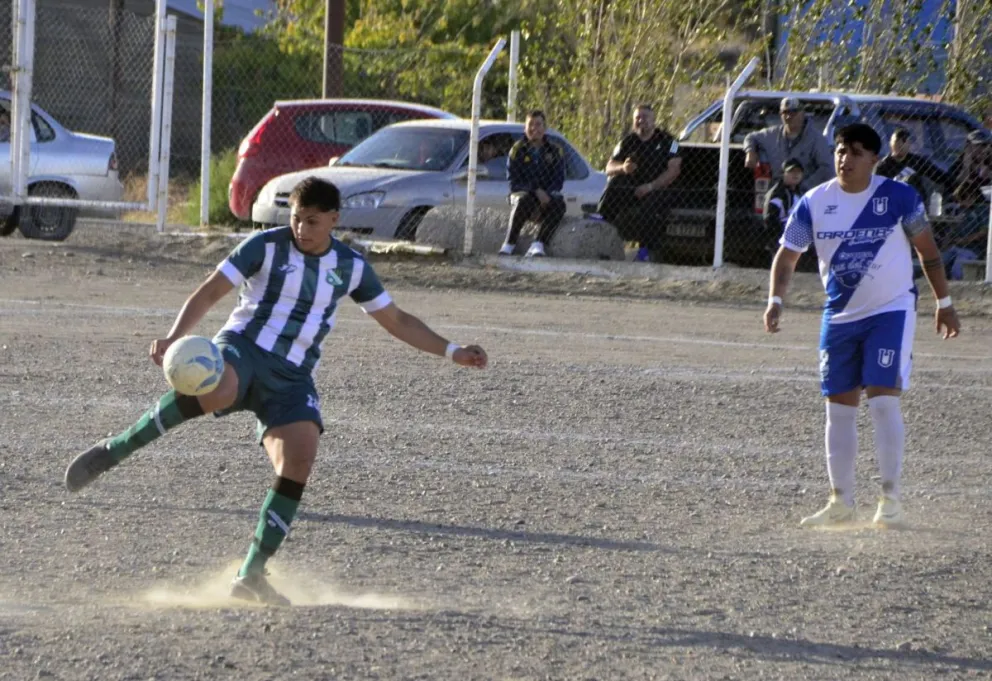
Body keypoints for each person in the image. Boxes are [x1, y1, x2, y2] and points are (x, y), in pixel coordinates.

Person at [63, 177, 489, 606]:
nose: (301, 229)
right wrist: (174, 337)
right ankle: (115, 449)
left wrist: (453, 351)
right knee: (221, 386)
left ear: (335, 220)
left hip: (293, 376)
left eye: (312, 221)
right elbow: (212, 290)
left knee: (300, 459)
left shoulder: (351, 266)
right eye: (296, 219)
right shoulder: (265, 246)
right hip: (243, 349)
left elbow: (397, 321)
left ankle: (251, 574)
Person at [764, 123, 960, 530]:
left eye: (855, 152)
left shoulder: (899, 197)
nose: (844, 159)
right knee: (838, 410)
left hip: (891, 311)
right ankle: (841, 501)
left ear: (874, 159)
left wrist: (945, 303)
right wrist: (775, 301)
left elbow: (929, 251)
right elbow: (787, 257)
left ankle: (890, 499)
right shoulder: (814, 202)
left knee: (884, 400)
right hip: (839, 317)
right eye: (840, 150)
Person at [596, 104, 682, 262]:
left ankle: (645, 252)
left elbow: (674, 170)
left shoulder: (670, 141)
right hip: (633, 187)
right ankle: (602, 223)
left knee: (649, 207)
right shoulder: (627, 142)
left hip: (659, 188)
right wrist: (623, 167)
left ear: (654, 120)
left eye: (645, 117)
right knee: (616, 182)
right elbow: (609, 167)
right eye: (638, 118)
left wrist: (650, 187)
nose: (641, 121)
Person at [499, 110, 567, 257]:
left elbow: (558, 181)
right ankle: (509, 244)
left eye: (538, 124)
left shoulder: (555, 151)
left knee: (559, 204)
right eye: (531, 124)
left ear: (545, 128)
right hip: (524, 195)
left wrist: (547, 194)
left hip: (545, 196)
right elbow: (513, 182)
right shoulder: (517, 150)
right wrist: (536, 190)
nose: (534, 129)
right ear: (525, 128)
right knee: (524, 200)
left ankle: (538, 244)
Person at [744, 97, 834, 193]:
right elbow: (750, 137)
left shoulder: (817, 139)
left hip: (806, 194)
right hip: (778, 193)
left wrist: (803, 186)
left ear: (802, 114)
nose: (788, 116)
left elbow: (827, 169)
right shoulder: (772, 134)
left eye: (793, 112)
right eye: (785, 112)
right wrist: (750, 152)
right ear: (780, 114)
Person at [941, 129, 991, 279]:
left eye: (983, 146)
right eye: (977, 146)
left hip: (982, 209)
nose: (981, 150)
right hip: (964, 207)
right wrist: (966, 165)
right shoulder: (960, 163)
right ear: (968, 147)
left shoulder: (989, 162)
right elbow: (955, 187)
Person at [874, 127, 950, 201]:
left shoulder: (916, 161)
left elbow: (937, 174)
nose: (900, 146)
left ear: (909, 144)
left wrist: (954, 184)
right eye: (897, 142)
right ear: (891, 143)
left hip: (916, 203)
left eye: (904, 142)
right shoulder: (883, 166)